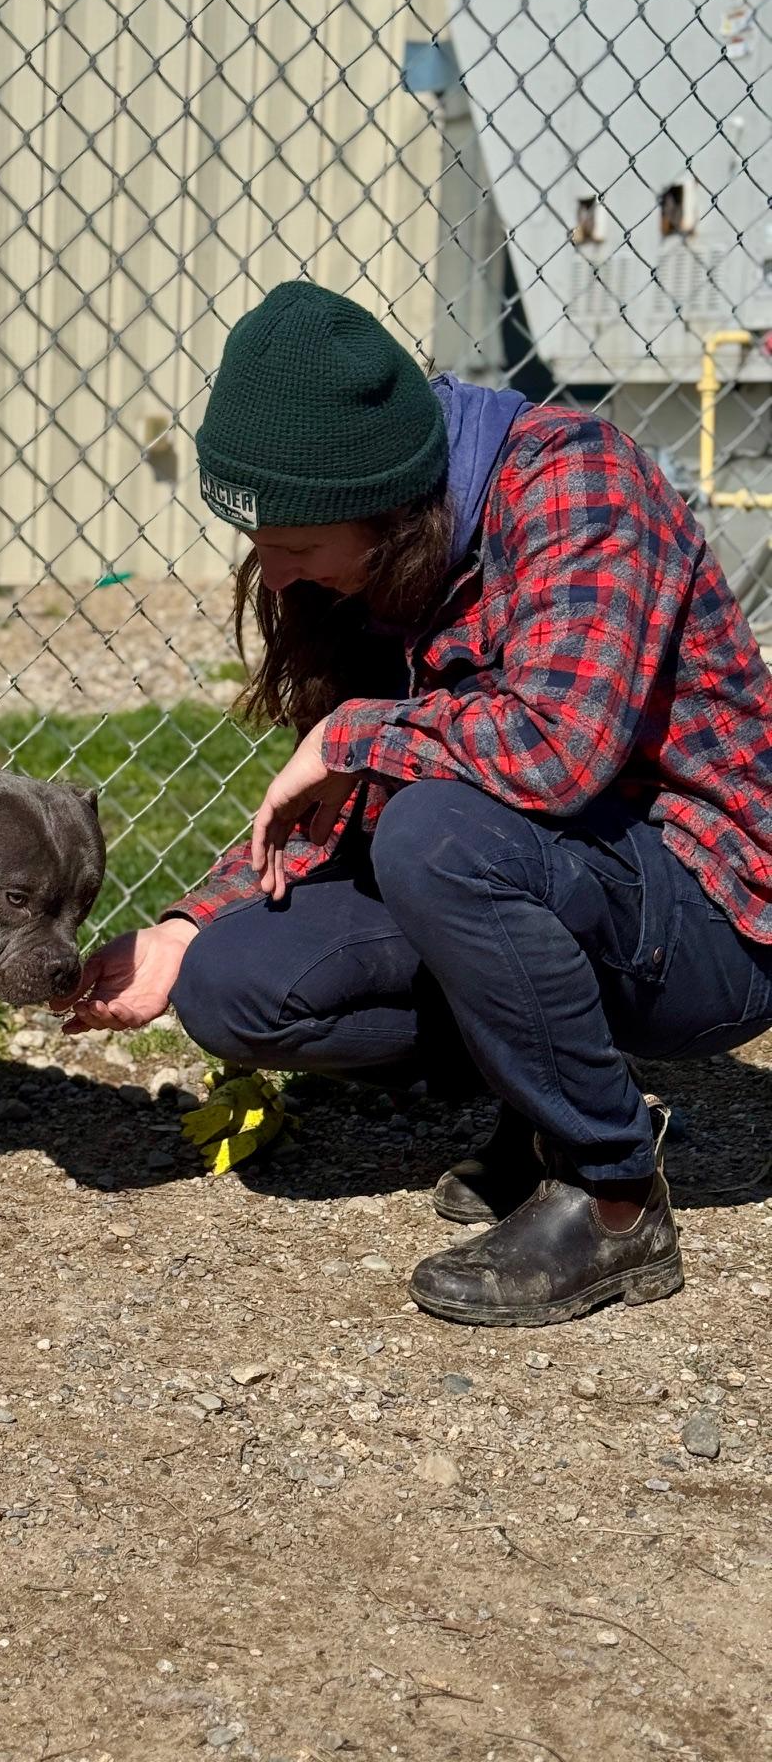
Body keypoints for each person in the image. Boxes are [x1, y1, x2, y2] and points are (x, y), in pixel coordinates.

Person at [56, 280, 772, 1326]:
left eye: (296, 545)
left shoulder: (582, 484)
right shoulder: (372, 567)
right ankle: (541, 1108)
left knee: (440, 830)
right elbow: (344, 806)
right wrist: (183, 927)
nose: (275, 571)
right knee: (234, 986)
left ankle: (612, 1192)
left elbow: (556, 755)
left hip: (714, 913)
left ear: (389, 509)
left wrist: (349, 734)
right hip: (552, 877)